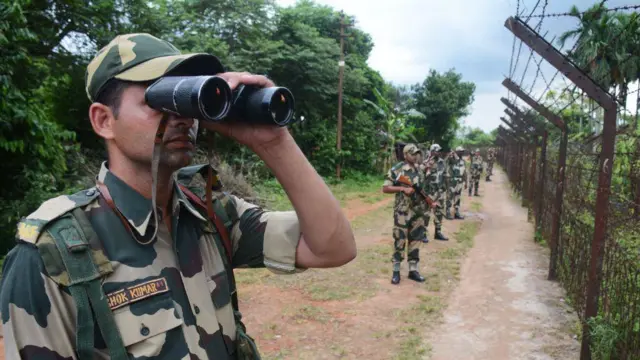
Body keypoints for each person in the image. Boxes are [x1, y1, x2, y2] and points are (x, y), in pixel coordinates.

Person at [0, 33, 356, 360]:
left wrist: (273, 141)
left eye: (186, 100)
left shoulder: (212, 214)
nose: (182, 118)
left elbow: (332, 247)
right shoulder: (54, 252)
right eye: (159, 97)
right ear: (104, 120)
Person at [382, 144, 429, 285]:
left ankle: (413, 270)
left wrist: (428, 204)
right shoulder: (397, 170)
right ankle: (396, 271)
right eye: (412, 153)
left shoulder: (419, 170)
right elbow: (385, 188)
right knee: (399, 240)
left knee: (416, 240)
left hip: (418, 211)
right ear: (405, 155)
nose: (415, 156)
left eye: (417, 153)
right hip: (402, 212)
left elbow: (422, 190)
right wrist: (402, 189)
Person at [424, 144, 449, 241]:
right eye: (436, 151)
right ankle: (423, 233)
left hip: (439, 192)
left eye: (439, 151)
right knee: (426, 213)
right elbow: (422, 176)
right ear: (432, 151)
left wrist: (446, 188)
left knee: (439, 212)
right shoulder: (427, 162)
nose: (438, 152)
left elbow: (445, 175)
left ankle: (438, 232)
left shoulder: (442, 162)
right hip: (429, 192)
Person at [445, 146, 467, 220]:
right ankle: (447, 212)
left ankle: (456, 212)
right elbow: (446, 161)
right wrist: (450, 155)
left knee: (457, 197)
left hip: (460, 181)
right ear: (457, 152)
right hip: (452, 181)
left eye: (462, 151)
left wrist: (466, 182)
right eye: (460, 151)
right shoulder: (452, 159)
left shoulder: (463, 161)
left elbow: (464, 172)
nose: (462, 152)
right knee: (450, 197)